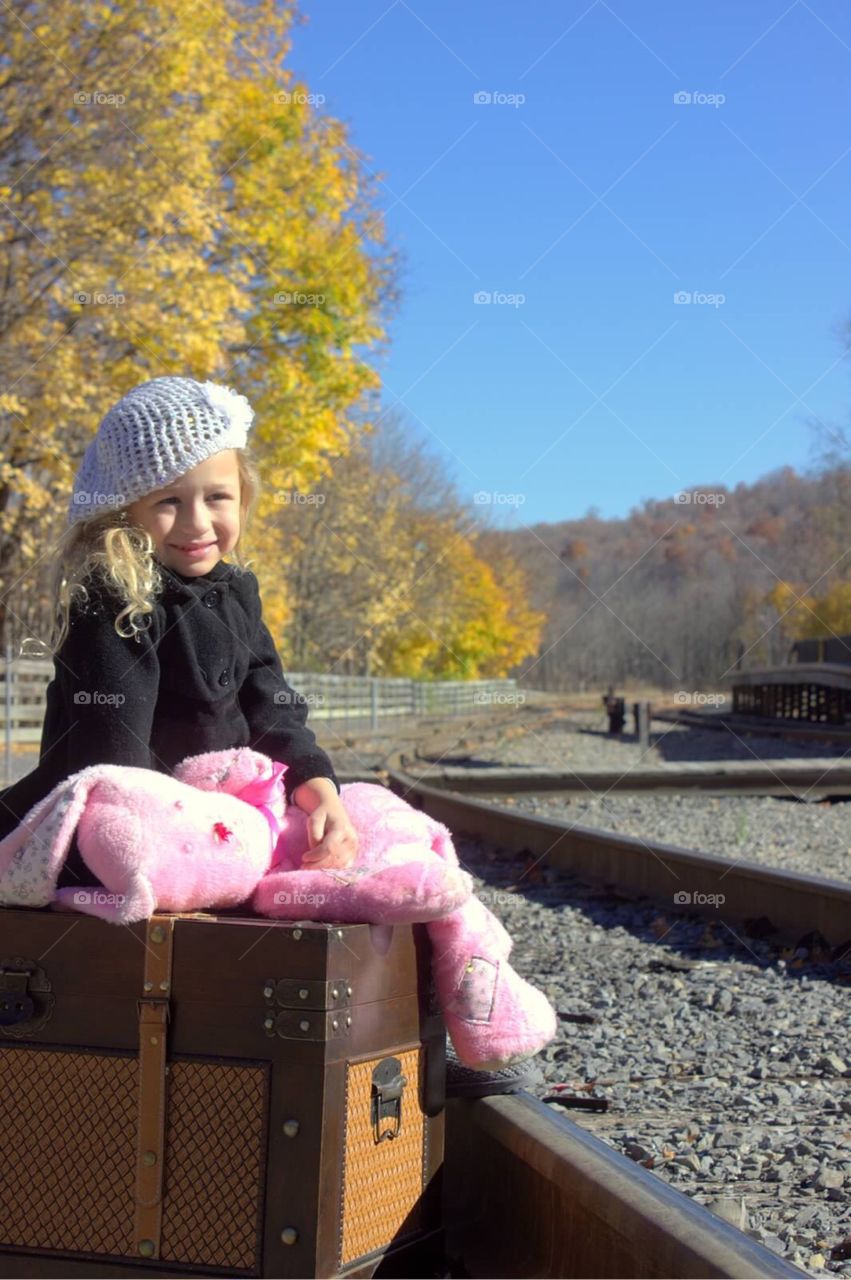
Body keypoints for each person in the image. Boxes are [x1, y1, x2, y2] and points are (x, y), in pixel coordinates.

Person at [0, 375, 358, 889]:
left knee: (359, 817)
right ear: (126, 510)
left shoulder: (238, 593)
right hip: (123, 821)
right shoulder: (114, 598)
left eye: (217, 497)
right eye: (168, 502)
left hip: (219, 809)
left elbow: (272, 705)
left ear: (243, 498)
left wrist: (317, 785)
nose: (196, 523)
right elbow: (113, 757)